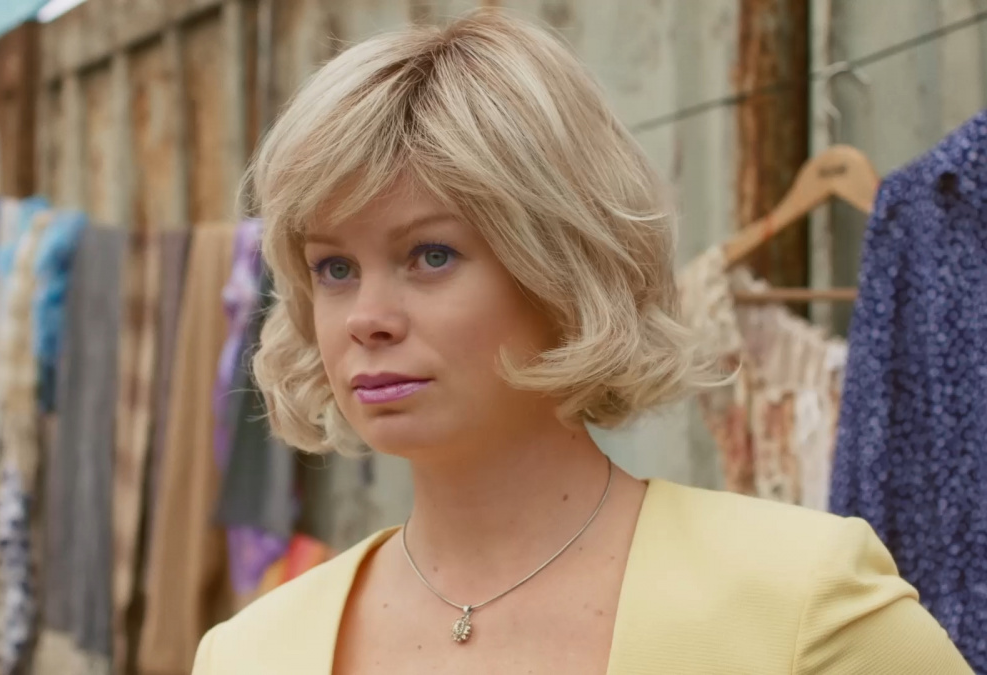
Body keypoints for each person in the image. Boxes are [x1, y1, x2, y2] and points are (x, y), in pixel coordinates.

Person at [193, 9, 972, 674]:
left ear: (562, 268)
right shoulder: (250, 653)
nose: (367, 316)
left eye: (430, 254)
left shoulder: (805, 605)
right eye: (334, 267)